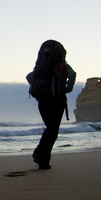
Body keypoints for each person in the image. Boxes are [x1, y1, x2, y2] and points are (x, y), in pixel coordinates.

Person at [26, 40, 76, 170]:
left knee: (50, 129)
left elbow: (29, 76)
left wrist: (36, 87)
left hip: (42, 100)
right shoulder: (62, 65)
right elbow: (72, 75)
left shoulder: (40, 67)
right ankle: (40, 154)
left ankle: (43, 162)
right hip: (57, 100)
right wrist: (66, 88)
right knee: (53, 131)